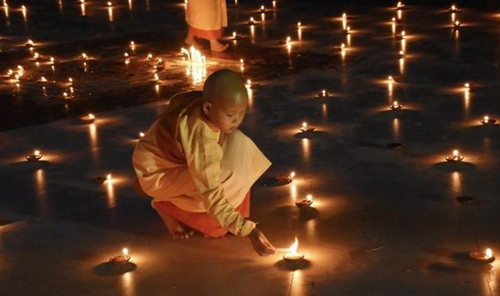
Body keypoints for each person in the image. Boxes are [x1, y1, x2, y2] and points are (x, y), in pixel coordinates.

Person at [132, 69, 276, 256]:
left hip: (165, 160)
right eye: (231, 114)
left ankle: (227, 214)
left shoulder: (201, 105)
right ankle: (165, 205)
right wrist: (248, 231)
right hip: (156, 173)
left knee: (240, 144)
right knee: (225, 177)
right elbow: (212, 194)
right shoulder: (201, 138)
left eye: (241, 113)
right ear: (208, 108)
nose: (237, 120)